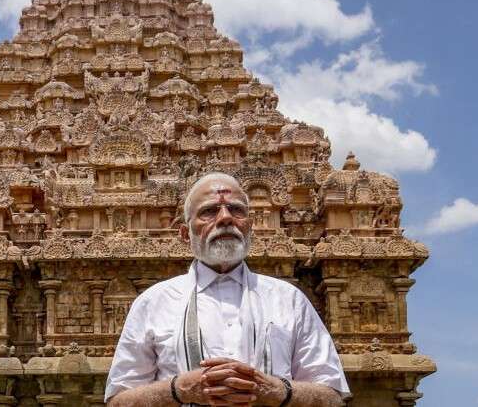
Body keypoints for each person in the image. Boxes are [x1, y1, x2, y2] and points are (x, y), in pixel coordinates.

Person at [105, 172, 348, 406]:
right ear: (184, 233)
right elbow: (118, 401)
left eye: (236, 210)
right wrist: (179, 389)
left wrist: (273, 390)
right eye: (209, 211)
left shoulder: (289, 299)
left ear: (250, 226)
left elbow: (333, 397)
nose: (225, 218)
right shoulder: (154, 302)